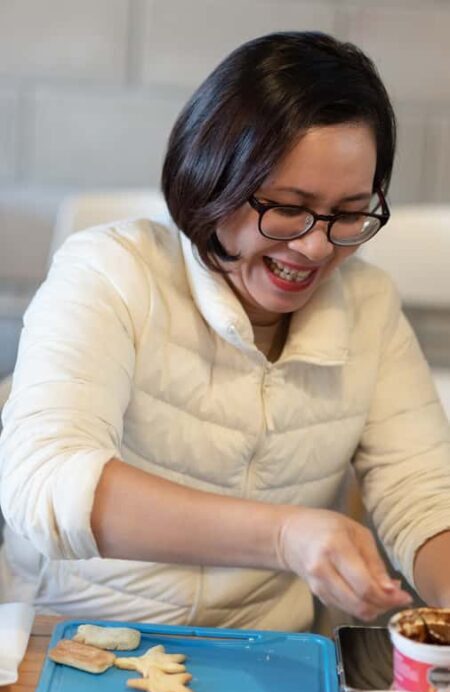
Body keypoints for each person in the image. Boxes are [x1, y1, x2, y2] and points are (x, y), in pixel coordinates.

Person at [0, 31, 449, 630]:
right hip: (72, 641)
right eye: (288, 206)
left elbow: (422, 494)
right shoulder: (111, 271)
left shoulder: (368, 303)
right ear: (213, 179)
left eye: (348, 213)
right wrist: (284, 535)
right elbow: (45, 484)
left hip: (266, 658)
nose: (315, 246)